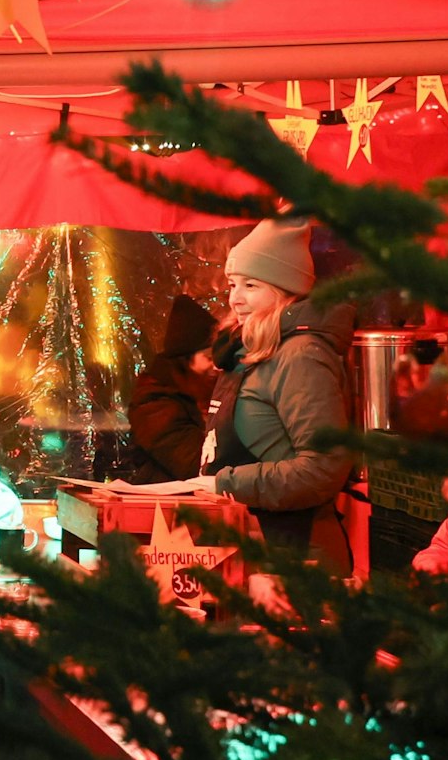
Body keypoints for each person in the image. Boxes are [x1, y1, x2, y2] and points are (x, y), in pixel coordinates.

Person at [135, 218, 355, 567]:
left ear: (284, 289)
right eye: (233, 285)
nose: (235, 299)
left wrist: (225, 484)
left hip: (295, 562)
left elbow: (323, 469)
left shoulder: (301, 356)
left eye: (250, 286)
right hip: (247, 552)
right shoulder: (249, 355)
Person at [124, 294, 219, 484]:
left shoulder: (199, 392)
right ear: (185, 359)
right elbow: (193, 463)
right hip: (169, 507)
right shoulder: (154, 403)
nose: (215, 366)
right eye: (208, 358)